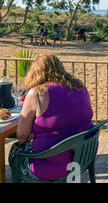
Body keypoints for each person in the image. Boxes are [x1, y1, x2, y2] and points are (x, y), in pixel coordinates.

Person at [8, 53, 94, 181]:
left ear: (35, 72)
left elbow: (21, 136)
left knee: (15, 152)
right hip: (82, 158)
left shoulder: (37, 93)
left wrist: (32, 134)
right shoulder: (80, 87)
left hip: (51, 167)